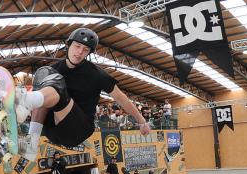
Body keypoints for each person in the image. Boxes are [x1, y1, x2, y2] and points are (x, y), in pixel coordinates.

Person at [16, 28, 150, 160]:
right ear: (68, 45)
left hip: (79, 129)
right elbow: (40, 96)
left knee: (56, 83)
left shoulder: (97, 74)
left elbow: (121, 98)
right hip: (53, 130)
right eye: (77, 46)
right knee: (44, 77)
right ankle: (31, 143)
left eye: (85, 50)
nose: (80, 52)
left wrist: (142, 121)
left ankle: (23, 100)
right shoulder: (54, 69)